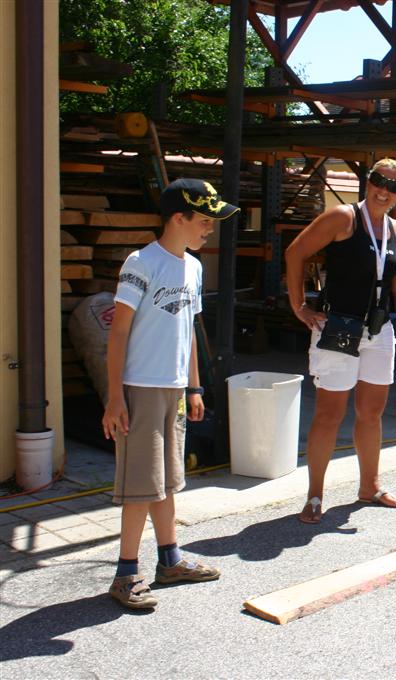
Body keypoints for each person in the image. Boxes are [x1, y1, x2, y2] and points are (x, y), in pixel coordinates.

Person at [101, 178, 235, 609]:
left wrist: (195, 386)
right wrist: (115, 397)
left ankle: (170, 559)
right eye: (204, 220)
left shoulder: (193, 267)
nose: (209, 229)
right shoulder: (141, 262)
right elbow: (118, 332)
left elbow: (190, 332)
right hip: (140, 388)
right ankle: (125, 573)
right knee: (141, 483)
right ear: (179, 217)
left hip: (174, 388)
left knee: (168, 479)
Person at [286, 158, 396, 521]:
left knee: (371, 413)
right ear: (368, 181)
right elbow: (294, 252)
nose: (384, 190)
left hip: (378, 330)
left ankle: (369, 486)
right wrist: (299, 307)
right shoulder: (343, 217)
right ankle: (314, 496)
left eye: (393, 186)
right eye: (379, 181)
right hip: (339, 327)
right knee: (330, 413)